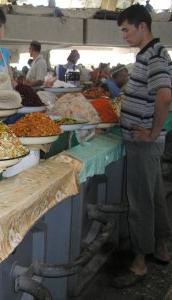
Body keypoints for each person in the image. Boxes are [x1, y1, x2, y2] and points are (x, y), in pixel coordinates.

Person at [111, 4, 172, 288]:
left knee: (140, 202)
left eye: (126, 29)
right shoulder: (150, 54)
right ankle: (161, 247)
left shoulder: (155, 55)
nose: (124, 35)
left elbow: (164, 96)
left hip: (143, 143)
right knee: (155, 195)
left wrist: (151, 132)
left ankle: (138, 264)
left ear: (142, 26)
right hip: (146, 141)